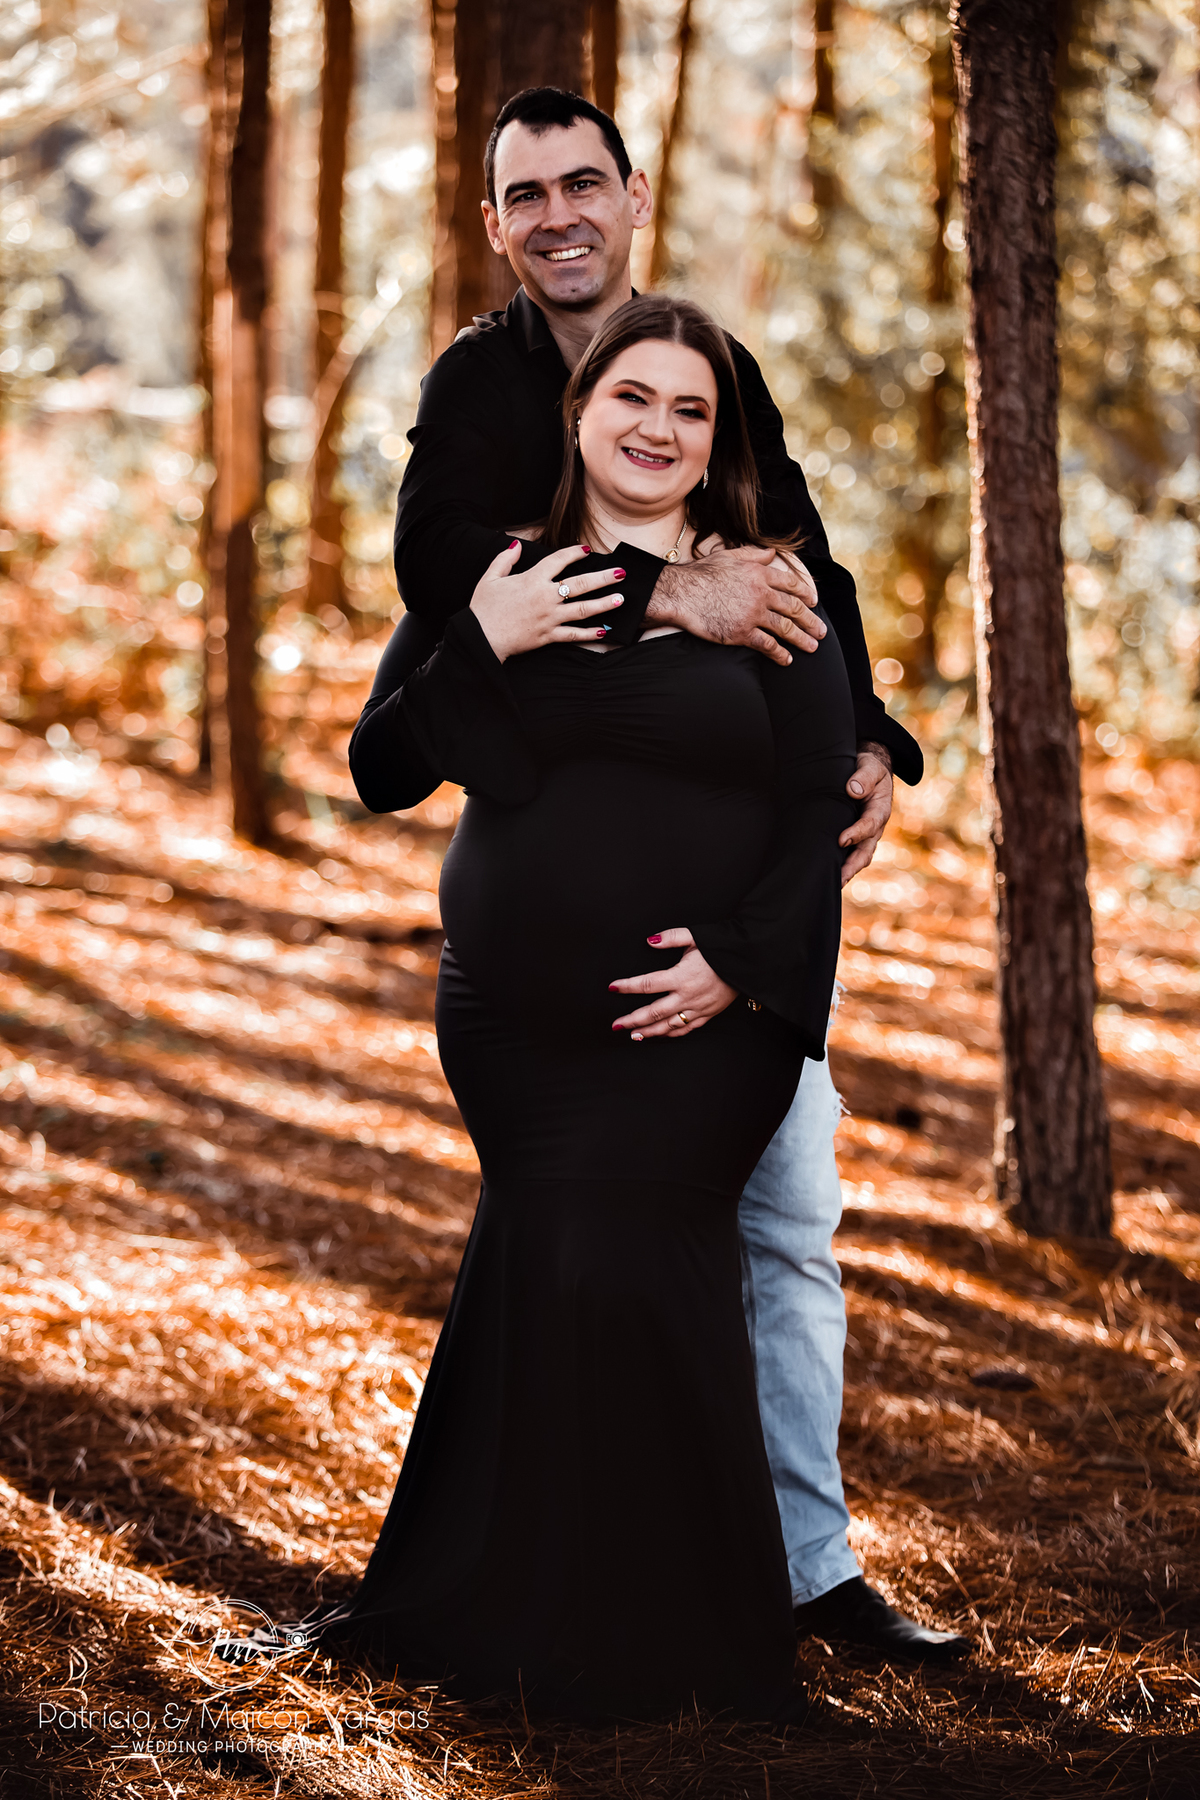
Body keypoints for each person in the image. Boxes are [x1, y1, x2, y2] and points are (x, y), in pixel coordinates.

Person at [354, 87, 968, 1664]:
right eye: (527, 193)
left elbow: (807, 573)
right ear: (496, 223)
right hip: (537, 1006)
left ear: (636, 196)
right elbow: (434, 574)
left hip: (736, 965)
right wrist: (651, 588)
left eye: (587, 184)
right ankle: (566, 1585)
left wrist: (871, 741)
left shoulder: (722, 376)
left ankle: (804, 1575)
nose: (559, 215)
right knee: (580, 1261)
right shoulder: (480, 385)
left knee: (784, 1232)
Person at [331, 292, 856, 1719]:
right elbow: (382, 767)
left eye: (691, 409)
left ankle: (681, 1638)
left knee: (639, 1270)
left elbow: (821, 801)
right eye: (634, 397)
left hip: (706, 1027)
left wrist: (739, 965)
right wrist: (484, 638)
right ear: (580, 414)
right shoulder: (502, 573)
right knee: (550, 1263)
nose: (658, 429)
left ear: (720, 441)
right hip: (512, 1030)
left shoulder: (766, 590)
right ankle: (506, 1611)